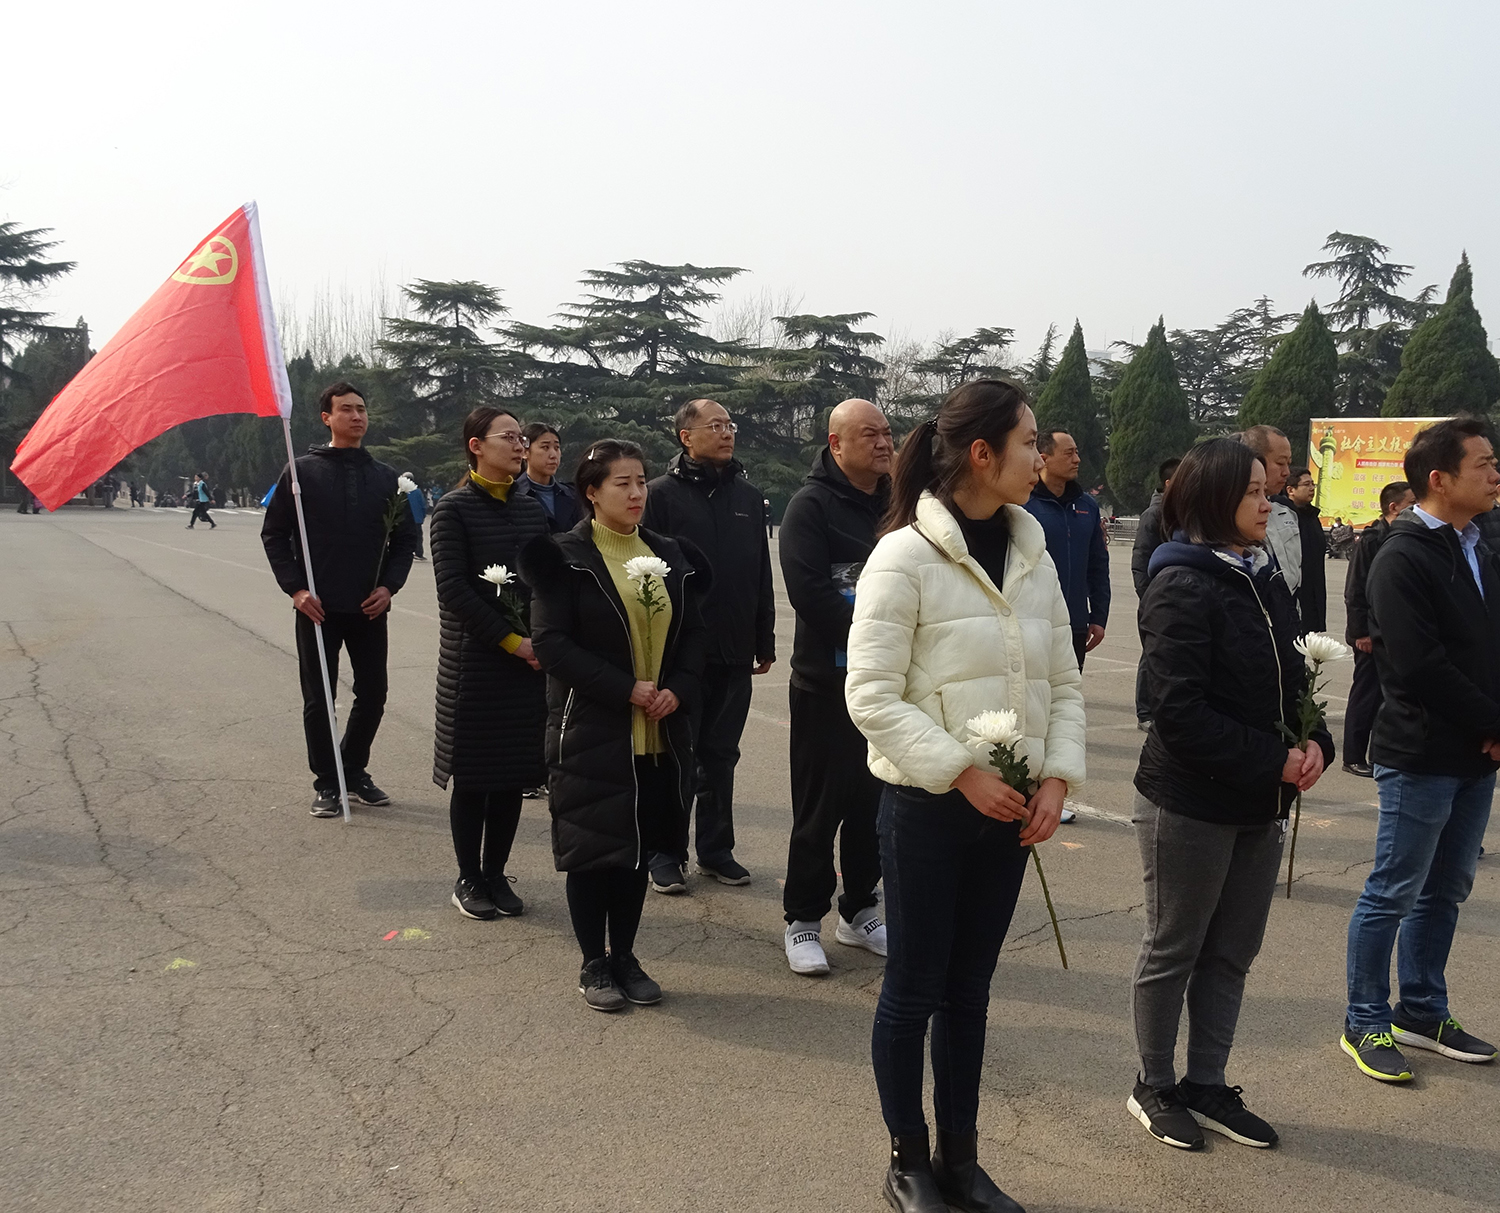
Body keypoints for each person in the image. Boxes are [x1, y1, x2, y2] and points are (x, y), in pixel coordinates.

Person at [846, 379, 1084, 1213]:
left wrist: (1056, 776)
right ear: (982, 453)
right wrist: (960, 771)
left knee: (969, 991)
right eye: (1028, 442)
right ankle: (907, 1160)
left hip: (1009, 813)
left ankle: (961, 1158)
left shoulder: (1034, 554)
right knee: (914, 987)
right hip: (928, 807)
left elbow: (1063, 682)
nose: (1039, 456)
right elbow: (870, 694)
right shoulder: (904, 555)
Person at [1130, 438, 1332, 1153]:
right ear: (1214, 498)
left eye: (1265, 490)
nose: (1266, 502)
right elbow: (1177, 712)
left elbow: (1292, 675)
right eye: (1252, 491)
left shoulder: (1261, 574)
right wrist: (1274, 760)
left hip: (1258, 800)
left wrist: (1315, 740)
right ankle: (1154, 1084)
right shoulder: (1181, 584)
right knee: (1174, 947)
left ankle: (1207, 1083)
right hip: (1190, 801)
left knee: (1232, 952)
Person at [521, 440, 710, 1011]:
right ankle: (593, 963)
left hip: (658, 734)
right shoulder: (565, 557)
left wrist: (678, 688)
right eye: (621, 483)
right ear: (592, 493)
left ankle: (625, 955)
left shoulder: (669, 554)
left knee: (637, 851)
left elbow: (694, 637)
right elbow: (552, 644)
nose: (636, 493)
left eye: (641, 481)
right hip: (591, 730)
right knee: (593, 852)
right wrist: (624, 687)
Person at [1341, 418, 1500, 1082]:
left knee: (1447, 887)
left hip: (1476, 753)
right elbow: (1418, 664)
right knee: (1394, 889)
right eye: (1483, 463)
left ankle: (1423, 1009)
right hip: (1421, 751)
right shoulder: (1402, 554)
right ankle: (1365, 1018)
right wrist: (1494, 720)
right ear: (1439, 478)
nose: (1495, 474)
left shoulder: (1479, 545)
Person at [261, 381, 420, 816]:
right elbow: (274, 535)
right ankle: (327, 782)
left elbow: (405, 541)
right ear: (326, 418)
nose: (357, 416)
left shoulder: (387, 478)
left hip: (369, 607)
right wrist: (296, 590)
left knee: (374, 694)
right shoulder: (300, 473)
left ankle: (352, 768)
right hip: (318, 609)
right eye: (346, 409)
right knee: (320, 698)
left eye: (361, 409)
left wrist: (389, 587)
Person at [640, 398, 775, 893]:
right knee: (677, 754)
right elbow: (645, 573)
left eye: (729, 425)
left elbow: (760, 571)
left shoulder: (748, 497)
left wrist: (764, 636)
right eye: (715, 425)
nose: (726, 433)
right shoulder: (660, 495)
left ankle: (716, 850)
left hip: (734, 647)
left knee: (721, 754)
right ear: (686, 437)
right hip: (680, 651)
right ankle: (664, 852)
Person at [778, 398, 893, 976]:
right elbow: (810, 593)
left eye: (887, 432)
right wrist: (880, 637)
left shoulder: (900, 502)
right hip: (826, 684)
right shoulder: (810, 506)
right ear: (836, 443)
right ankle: (802, 919)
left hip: (888, 685)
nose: (883, 442)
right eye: (869, 433)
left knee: (875, 805)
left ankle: (860, 909)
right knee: (819, 809)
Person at [430, 408, 550, 920]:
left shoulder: (530, 509)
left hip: (525, 664)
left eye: (522, 437)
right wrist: (511, 640)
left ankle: (497, 872)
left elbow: (543, 579)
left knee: (511, 774)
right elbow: (454, 590)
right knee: (475, 775)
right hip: (475, 664)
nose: (520, 445)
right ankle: (468, 877)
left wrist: (542, 637)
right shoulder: (452, 510)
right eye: (509, 437)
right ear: (476, 446)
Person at [1342, 480, 1414, 777]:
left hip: (1392, 632)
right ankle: (1353, 756)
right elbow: (1355, 589)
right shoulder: (1372, 539)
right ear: (1393, 507)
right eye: (1411, 504)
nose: (1417, 509)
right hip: (1370, 634)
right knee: (1366, 695)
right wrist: (1361, 632)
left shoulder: (1405, 537)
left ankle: (1378, 756)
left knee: (1388, 698)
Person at [1023, 430, 1110, 668]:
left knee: (1070, 689)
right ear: (1044, 459)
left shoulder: (1087, 506)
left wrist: (1099, 616)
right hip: (1033, 623)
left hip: (1075, 624)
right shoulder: (1023, 503)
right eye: (1069, 453)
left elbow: (1098, 565)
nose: (1077, 459)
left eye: (1077, 453)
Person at [1131, 457, 1181, 730]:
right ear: (1169, 483)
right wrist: (1149, 597)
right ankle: (1145, 712)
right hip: (1156, 597)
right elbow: (1140, 560)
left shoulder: (1182, 512)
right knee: (1151, 654)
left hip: (1179, 597)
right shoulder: (1153, 515)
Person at [1237, 426, 1300, 605]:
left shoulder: (1287, 514)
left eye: (1289, 463)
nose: (1287, 472)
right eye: (1280, 463)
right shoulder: (1233, 518)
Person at [1282, 466, 1328, 631]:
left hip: (1313, 592)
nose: (1312, 488)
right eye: (1306, 484)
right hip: (1294, 593)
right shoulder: (1284, 518)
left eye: (1313, 484)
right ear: (1290, 490)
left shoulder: (1312, 517)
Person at [515, 422, 582, 533]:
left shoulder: (573, 494)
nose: (553, 455)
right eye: (545, 447)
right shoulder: (513, 494)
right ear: (525, 452)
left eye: (557, 448)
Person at [406, 473, 429, 561]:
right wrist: (422, 516)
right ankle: (419, 553)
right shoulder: (417, 491)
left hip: (405, 519)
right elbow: (423, 505)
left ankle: (407, 552)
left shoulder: (402, 491)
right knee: (418, 536)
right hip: (417, 519)